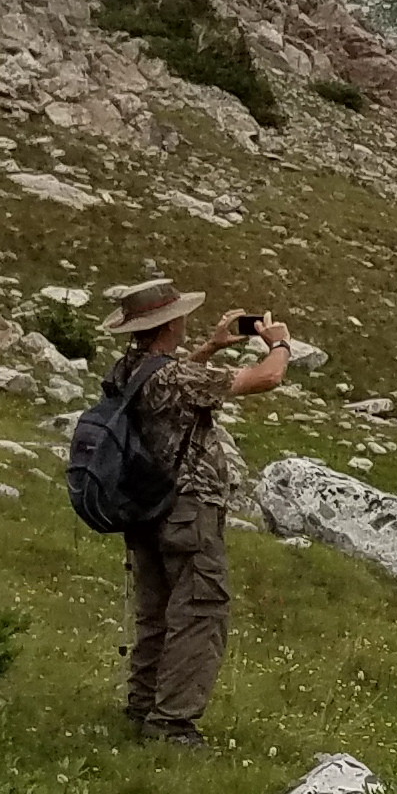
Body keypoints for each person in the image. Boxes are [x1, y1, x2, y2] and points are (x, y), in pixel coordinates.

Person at [100, 275, 292, 746]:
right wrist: (280, 344)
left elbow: (169, 379)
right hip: (188, 507)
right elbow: (267, 377)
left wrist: (211, 346)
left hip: (145, 506)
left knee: (156, 613)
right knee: (200, 610)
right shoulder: (176, 375)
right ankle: (173, 725)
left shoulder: (128, 369)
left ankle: (142, 706)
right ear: (169, 324)